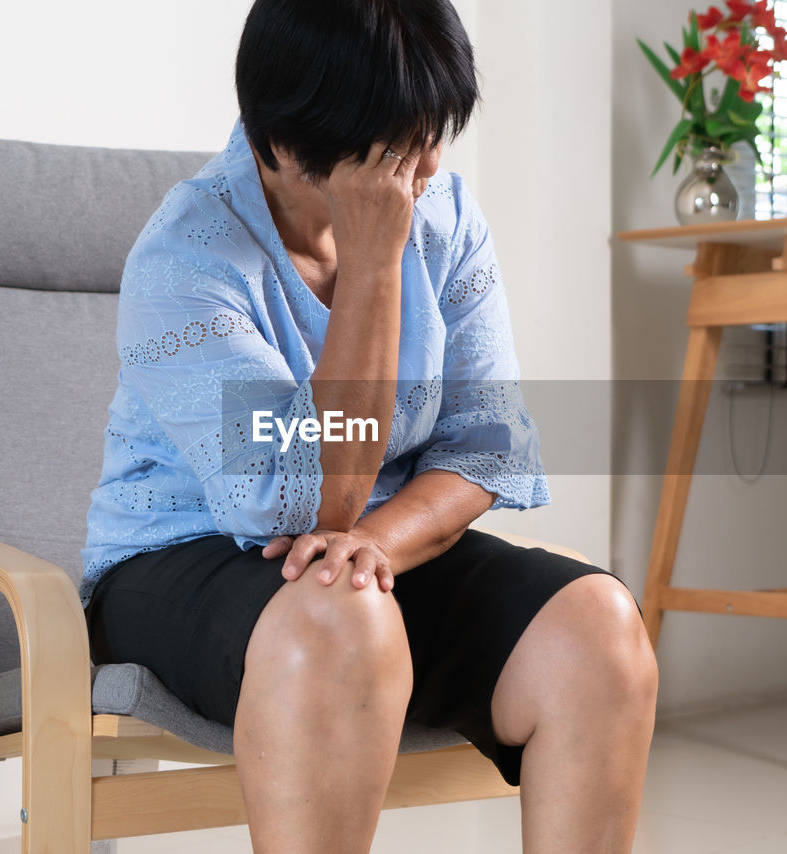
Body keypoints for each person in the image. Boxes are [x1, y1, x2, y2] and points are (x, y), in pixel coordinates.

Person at [79, 0, 657, 851]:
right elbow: (300, 500)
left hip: (368, 567)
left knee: (598, 626)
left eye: (430, 138)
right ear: (286, 144)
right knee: (339, 611)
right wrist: (376, 265)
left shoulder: (448, 220)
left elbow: (486, 443)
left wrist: (379, 542)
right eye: (392, 150)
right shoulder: (186, 258)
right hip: (181, 556)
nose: (421, 172)